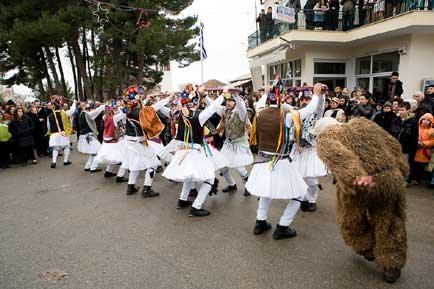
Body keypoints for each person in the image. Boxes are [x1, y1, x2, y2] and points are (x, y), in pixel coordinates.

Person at [315, 117, 409, 283]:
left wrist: (355, 176)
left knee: (349, 219)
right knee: (389, 220)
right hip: (390, 178)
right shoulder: (365, 124)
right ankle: (391, 265)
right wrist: (400, 169)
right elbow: (393, 144)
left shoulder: (325, 138)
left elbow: (339, 156)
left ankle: (365, 247)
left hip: (361, 184)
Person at [247, 83, 324, 240]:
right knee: (300, 194)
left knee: (265, 192)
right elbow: (309, 110)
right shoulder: (287, 117)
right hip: (280, 161)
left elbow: (261, 102)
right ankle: (282, 226)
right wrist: (316, 94)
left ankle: (260, 222)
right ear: (281, 100)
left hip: (262, 161)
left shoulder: (260, 112)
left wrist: (266, 92)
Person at [162, 86, 220, 217]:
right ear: (196, 101)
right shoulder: (199, 116)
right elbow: (214, 107)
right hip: (194, 152)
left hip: (183, 151)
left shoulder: (181, 113)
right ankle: (196, 206)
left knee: (189, 176)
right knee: (210, 179)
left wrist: (172, 97)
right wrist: (225, 94)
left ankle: (182, 200)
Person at [121, 86, 164, 198]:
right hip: (138, 143)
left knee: (134, 166)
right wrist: (169, 98)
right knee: (153, 165)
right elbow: (153, 108)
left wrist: (147, 99)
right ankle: (147, 189)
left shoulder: (128, 110)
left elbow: (141, 107)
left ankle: (130, 187)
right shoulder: (138, 111)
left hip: (130, 142)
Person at [215, 91, 254, 196]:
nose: (228, 103)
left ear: (235, 102)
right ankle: (232, 184)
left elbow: (242, 107)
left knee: (239, 167)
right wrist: (204, 96)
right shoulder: (225, 110)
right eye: (227, 100)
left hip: (239, 144)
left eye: (231, 101)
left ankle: (248, 186)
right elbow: (213, 106)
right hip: (228, 144)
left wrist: (236, 96)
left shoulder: (240, 112)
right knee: (221, 165)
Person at [390, 101, 418, 182]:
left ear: (408, 110)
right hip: (395, 147)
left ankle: (404, 180)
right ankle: (395, 179)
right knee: (395, 164)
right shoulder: (395, 120)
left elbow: (414, 137)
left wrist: (412, 149)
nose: (400, 112)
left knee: (405, 164)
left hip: (406, 148)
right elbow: (391, 133)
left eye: (402, 110)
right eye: (399, 110)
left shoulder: (413, 122)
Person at [47, 97, 76, 168]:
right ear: (60, 106)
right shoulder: (64, 113)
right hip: (63, 133)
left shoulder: (49, 116)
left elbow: (48, 126)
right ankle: (65, 161)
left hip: (54, 134)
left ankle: (54, 162)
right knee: (67, 146)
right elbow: (72, 111)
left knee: (55, 148)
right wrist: (74, 103)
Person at [77, 102, 106, 173]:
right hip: (88, 136)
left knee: (93, 152)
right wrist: (104, 105)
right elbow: (96, 111)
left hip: (85, 136)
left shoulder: (82, 114)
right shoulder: (87, 114)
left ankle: (87, 166)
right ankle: (93, 168)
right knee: (97, 151)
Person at [411, 113, 434, 184]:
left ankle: (418, 179)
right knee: (414, 165)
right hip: (415, 150)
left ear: (431, 121)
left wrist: (424, 143)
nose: (425, 121)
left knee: (421, 166)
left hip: (424, 151)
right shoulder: (417, 128)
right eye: (424, 119)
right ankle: (413, 178)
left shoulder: (432, 130)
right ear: (421, 120)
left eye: (428, 120)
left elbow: (433, 141)